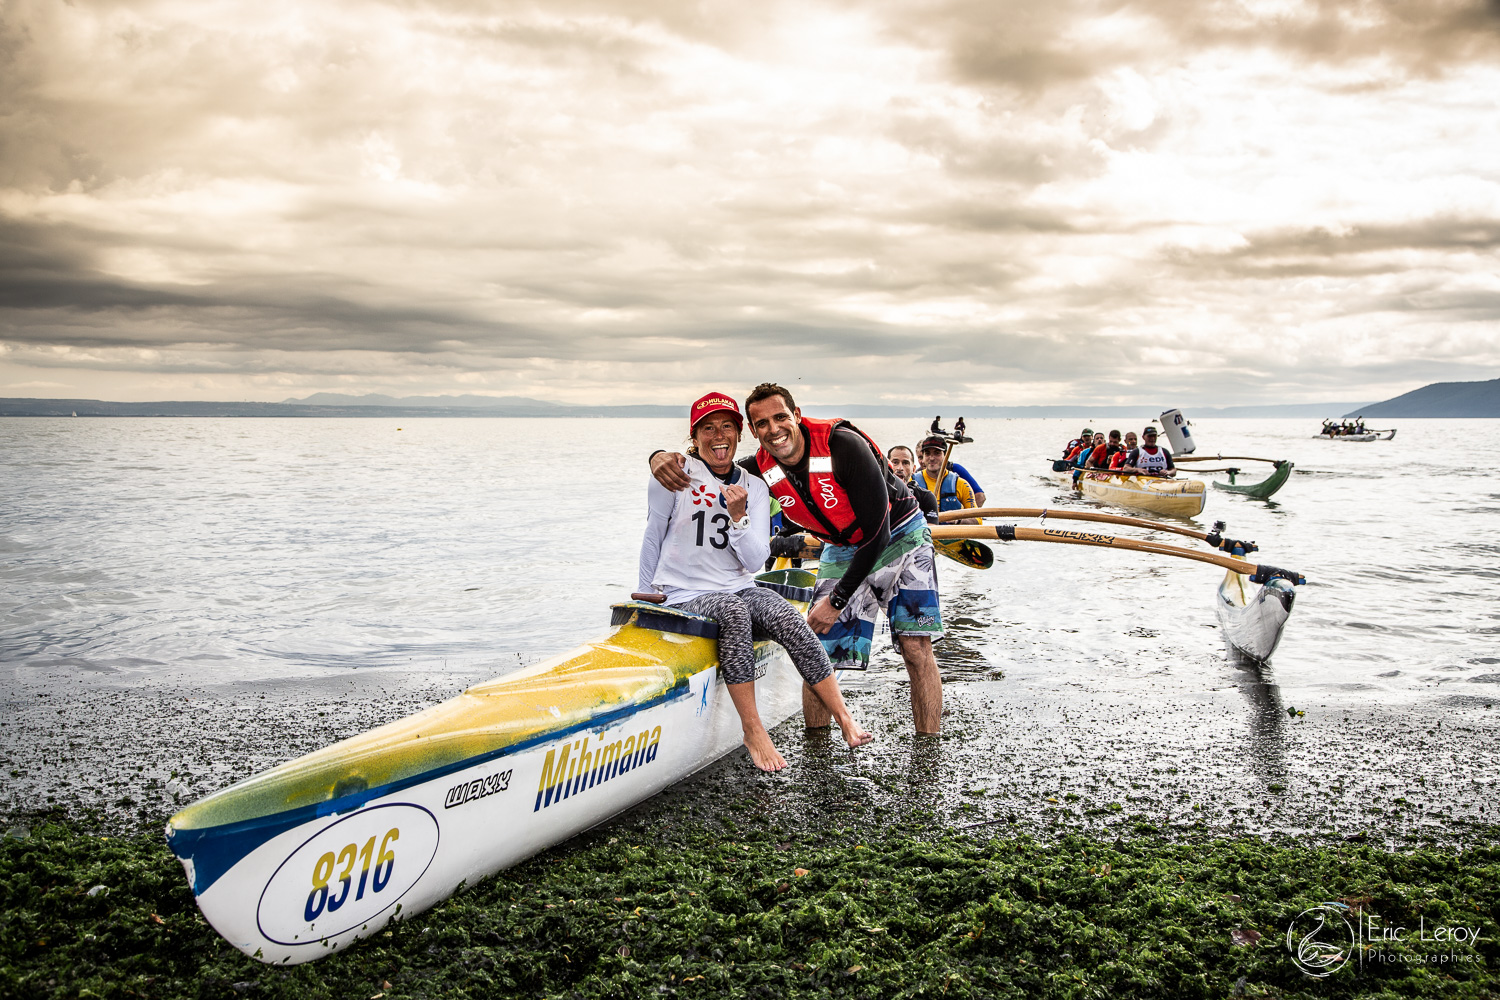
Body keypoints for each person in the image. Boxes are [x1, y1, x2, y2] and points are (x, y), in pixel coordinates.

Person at [651, 383, 945, 734]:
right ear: (754, 432)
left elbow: (877, 533)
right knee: (820, 647)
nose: (774, 430)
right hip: (841, 543)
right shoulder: (758, 468)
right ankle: (817, 749)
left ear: (798, 416)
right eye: (762, 424)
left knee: (915, 646)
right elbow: (709, 465)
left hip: (898, 534)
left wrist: (836, 601)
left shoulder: (843, 445)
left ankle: (928, 751)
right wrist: (658, 457)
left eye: (780, 418)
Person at [638, 391, 872, 770]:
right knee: (732, 612)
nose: (719, 436)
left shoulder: (756, 486)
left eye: (727, 427)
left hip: (738, 584)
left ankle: (844, 715)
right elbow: (652, 535)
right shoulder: (676, 475)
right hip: (683, 591)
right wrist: (647, 595)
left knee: (786, 616)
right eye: (708, 428)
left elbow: (754, 560)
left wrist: (739, 516)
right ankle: (753, 729)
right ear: (694, 437)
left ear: (739, 433)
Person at [915, 435, 980, 523]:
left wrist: (958, 520)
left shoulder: (961, 484)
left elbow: (977, 521)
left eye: (937, 453)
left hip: (952, 535)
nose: (932, 458)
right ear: (922, 457)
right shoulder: (912, 482)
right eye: (927, 453)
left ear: (945, 455)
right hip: (924, 535)